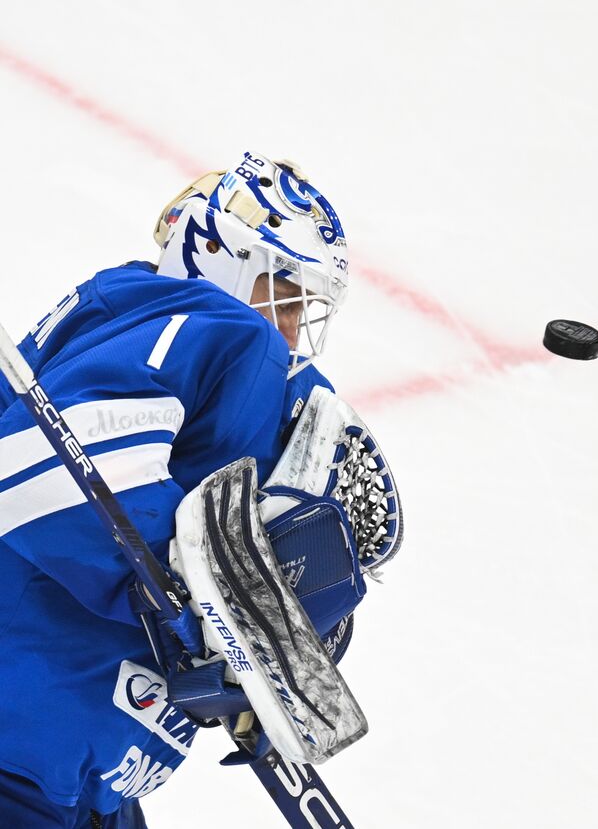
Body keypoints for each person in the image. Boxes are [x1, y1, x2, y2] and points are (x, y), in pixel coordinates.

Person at [0, 152, 392, 827]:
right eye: (286, 293)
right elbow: (42, 479)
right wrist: (201, 609)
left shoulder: (181, 341)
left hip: (80, 774)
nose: (294, 328)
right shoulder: (205, 329)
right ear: (223, 254)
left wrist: (267, 650)